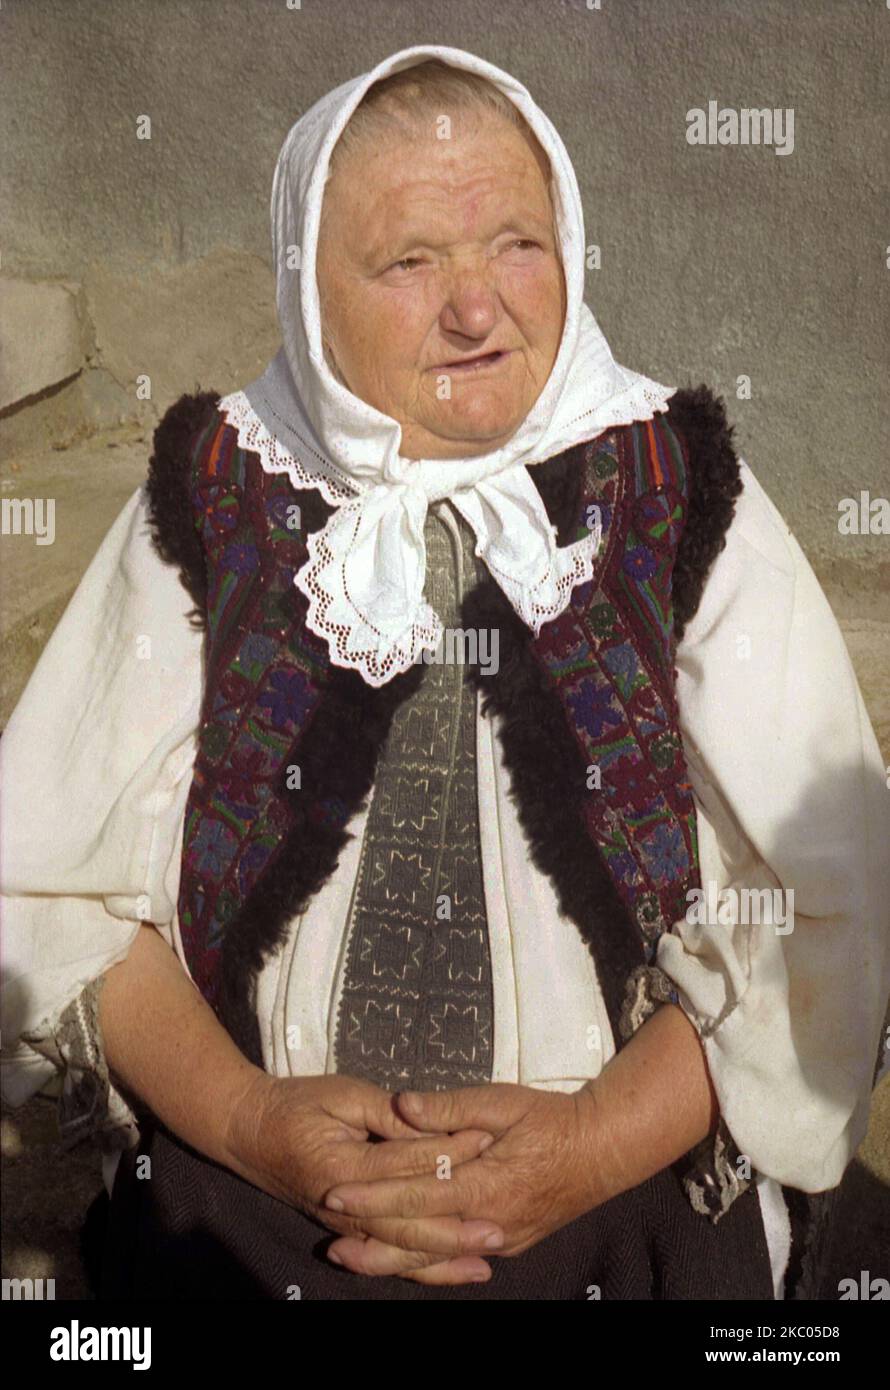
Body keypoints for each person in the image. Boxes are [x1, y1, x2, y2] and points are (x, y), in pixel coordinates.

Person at [1, 44, 887, 1302]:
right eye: (410, 262)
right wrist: (253, 1123)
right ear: (310, 290)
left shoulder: (675, 489)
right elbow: (47, 880)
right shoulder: (215, 493)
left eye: (516, 246)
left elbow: (831, 903)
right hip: (254, 1195)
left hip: (619, 1204)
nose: (478, 309)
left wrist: (582, 1149)